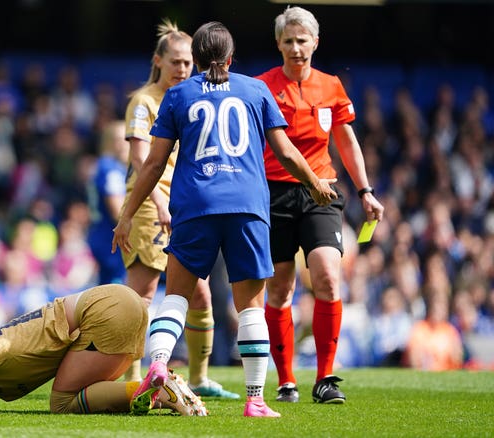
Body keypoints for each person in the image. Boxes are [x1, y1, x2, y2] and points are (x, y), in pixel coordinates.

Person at [113, 21, 336, 417]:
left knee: (176, 297)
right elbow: (284, 153)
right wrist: (315, 182)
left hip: (195, 205)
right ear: (231, 59)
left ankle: (159, 364)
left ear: (196, 60)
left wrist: (126, 215)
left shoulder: (178, 95)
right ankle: (255, 399)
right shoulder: (255, 89)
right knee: (250, 307)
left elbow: (152, 164)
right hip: (247, 206)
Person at [255, 6, 385, 404]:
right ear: (278, 43)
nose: (296, 47)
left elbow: (346, 141)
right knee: (279, 287)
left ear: (315, 42)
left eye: (302, 40)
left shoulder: (331, 87)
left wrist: (364, 191)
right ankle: (286, 380)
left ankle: (326, 378)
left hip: (322, 192)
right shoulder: (261, 87)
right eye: (289, 40)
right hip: (273, 193)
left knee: (328, 275)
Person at [120, 18, 238, 399]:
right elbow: (141, 160)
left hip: (183, 206)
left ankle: (201, 378)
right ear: (158, 61)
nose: (183, 69)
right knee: (143, 293)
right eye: (176, 62)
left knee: (200, 294)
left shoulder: (189, 96)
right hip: (152, 206)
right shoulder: (144, 102)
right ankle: (133, 376)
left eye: (188, 63)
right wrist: (156, 202)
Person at [0, 283, 206, 416]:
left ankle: (160, 392)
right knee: (88, 392)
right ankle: (161, 390)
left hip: (105, 311)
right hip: (121, 301)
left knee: (63, 402)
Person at [86, 120, 129, 285]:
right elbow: (118, 211)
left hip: (101, 234)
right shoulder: (110, 168)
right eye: (119, 139)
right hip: (110, 240)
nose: (125, 144)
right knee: (117, 291)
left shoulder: (104, 166)